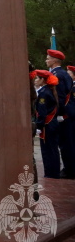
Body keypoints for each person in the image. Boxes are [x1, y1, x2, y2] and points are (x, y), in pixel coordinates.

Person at [46, 50, 74, 178]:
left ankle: (70, 170)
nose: (46, 60)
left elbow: (60, 96)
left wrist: (59, 113)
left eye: (48, 58)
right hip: (61, 113)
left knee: (66, 142)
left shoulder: (59, 74)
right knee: (63, 142)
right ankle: (69, 168)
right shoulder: (56, 73)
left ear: (55, 60)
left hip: (63, 115)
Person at [32, 69, 60, 179]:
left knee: (48, 150)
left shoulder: (43, 93)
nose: (35, 80)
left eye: (37, 78)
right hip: (52, 124)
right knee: (52, 149)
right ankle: (54, 172)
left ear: (43, 80)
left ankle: (51, 172)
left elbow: (42, 112)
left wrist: (39, 125)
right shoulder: (48, 90)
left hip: (47, 125)